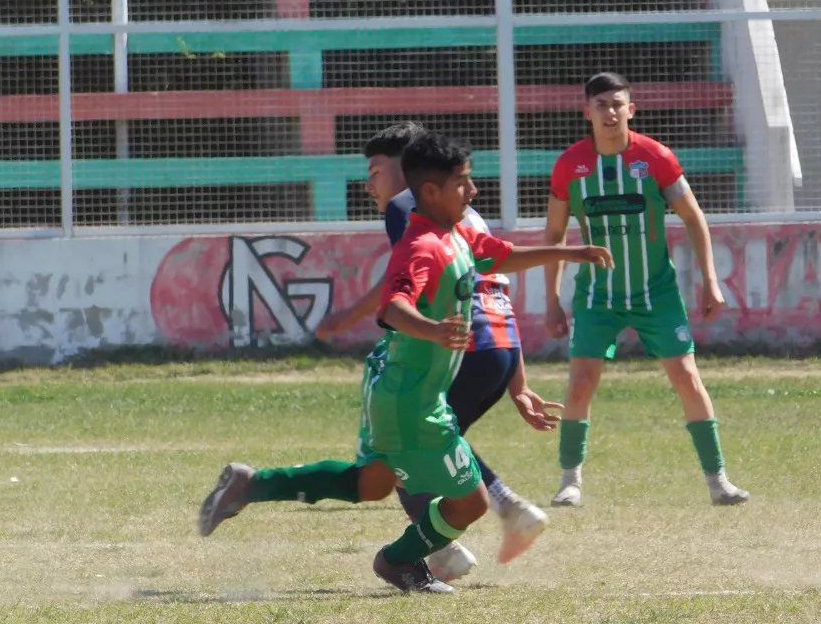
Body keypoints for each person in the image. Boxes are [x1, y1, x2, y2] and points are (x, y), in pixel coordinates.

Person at [198, 133, 613, 593]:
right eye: (463, 182)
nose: (473, 190)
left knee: (373, 483)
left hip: (404, 390)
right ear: (430, 191)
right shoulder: (421, 246)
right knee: (470, 503)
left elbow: (503, 255)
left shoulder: (456, 233)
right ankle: (400, 561)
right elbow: (393, 306)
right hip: (413, 401)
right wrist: (432, 329)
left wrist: (572, 252)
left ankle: (251, 485)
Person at [316, 122, 557, 575]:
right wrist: (517, 380)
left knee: (405, 443)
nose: (370, 184)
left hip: (466, 341)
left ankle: (446, 550)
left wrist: (347, 318)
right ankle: (500, 512)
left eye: (375, 171)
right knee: (437, 437)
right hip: (499, 342)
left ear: (409, 167)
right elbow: (495, 288)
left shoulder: (406, 207)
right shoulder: (465, 213)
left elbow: (401, 289)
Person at [542, 71, 749, 508]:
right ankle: (569, 481)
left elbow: (693, 218)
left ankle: (719, 481)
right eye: (601, 105)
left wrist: (711, 282)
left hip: (657, 294)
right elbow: (554, 236)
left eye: (617, 104)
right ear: (587, 112)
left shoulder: (656, 158)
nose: (610, 112)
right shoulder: (569, 166)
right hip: (597, 296)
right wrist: (552, 301)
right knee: (580, 384)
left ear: (631, 110)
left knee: (687, 377)